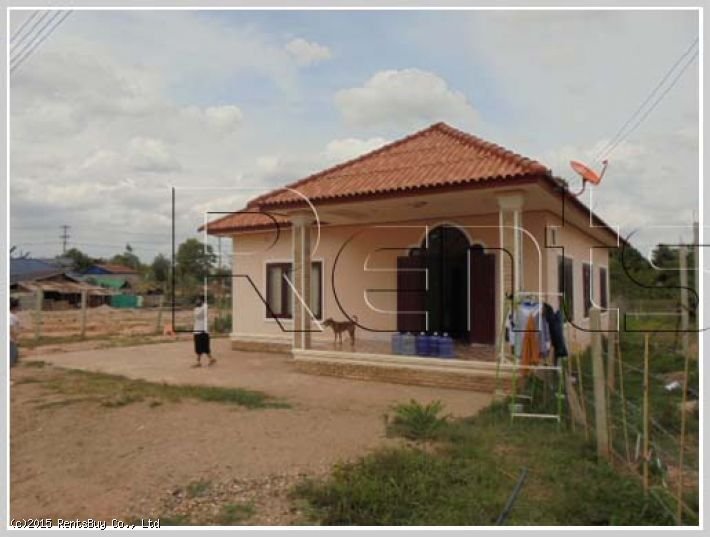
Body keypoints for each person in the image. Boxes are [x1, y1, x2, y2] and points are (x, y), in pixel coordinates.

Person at [192, 296, 215, 367]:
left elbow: (203, 309)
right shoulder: (197, 309)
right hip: (197, 330)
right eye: (196, 300)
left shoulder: (204, 308)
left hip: (203, 330)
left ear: (202, 301)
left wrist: (204, 302)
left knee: (205, 347)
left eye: (198, 300)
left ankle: (206, 360)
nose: (196, 301)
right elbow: (198, 314)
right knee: (198, 347)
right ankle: (207, 360)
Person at [10, 298, 21, 367]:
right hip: (10, 340)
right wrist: (15, 339)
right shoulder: (11, 316)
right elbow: (10, 329)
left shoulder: (12, 316)